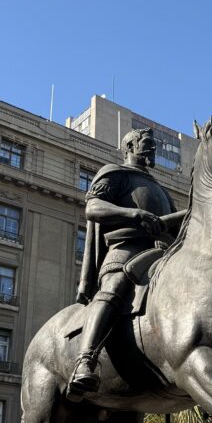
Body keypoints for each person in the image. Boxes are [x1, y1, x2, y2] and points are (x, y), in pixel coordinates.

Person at [67, 126, 186, 400]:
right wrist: (133, 214)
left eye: (153, 145)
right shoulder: (115, 173)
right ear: (130, 147)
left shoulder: (162, 191)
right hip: (125, 250)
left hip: (161, 254)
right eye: (147, 143)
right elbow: (93, 207)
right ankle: (85, 360)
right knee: (113, 290)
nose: (152, 149)